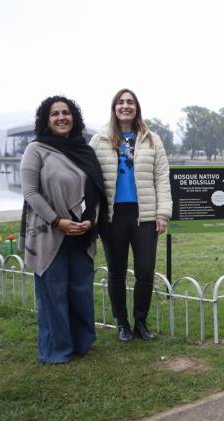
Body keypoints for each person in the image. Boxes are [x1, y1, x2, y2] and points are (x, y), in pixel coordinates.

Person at [20, 95, 106, 364]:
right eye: (54, 113)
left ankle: (82, 343)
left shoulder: (85, 151)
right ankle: (56, 350)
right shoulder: (36, 149)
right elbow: (30, 192)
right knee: (53, 293)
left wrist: (91, 220)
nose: (61, 117)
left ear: (74, 117)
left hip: (82, 231)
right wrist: (58, 221)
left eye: (65, 112)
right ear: (47, 120)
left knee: (80, 289)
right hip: (50, 232)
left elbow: (97, 191)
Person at [91, 88, 172, 342]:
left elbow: (162, 178)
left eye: (130, 102)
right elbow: (90, 180)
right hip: (113, 217)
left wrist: (163, 214)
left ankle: (140, 320)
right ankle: (122, 322)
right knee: (116, 271)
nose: (126, 106)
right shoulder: (100, 140)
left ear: (137, 107)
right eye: (121, 102)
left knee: (145, 271)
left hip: (144, 215)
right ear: (114, 107)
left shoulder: (151, 139)